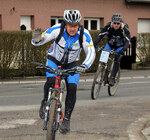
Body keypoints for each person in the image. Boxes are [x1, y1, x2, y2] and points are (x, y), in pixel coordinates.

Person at [31, 9, 95, 134]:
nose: (72, 28)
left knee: (72, 87)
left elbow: (91, 52)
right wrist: (37, 38)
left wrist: (84, 65)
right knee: (51, 80)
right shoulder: (57, 29)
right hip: (54, 59)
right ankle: (45, 102)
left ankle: (66, 119)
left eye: (75, 26)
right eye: (70, 25)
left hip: (72, 64)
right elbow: (40, 40)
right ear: (65, 24)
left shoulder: (84, 34)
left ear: (79, 25)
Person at [94, 13, 130, 86]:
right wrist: (94, 44)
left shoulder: (124, 29)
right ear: (112, 22)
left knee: (117, 58)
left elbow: (127, 41)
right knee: (103, 57)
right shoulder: (108, 27)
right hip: (110, 45)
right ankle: (102, 73)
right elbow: (100, 36)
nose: (116, 25)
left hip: (120, 46)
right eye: (114, 23)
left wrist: (123, 50)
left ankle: (113, 77)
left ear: (121, 23)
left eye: (118, 23)